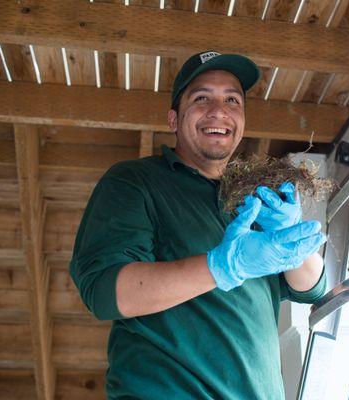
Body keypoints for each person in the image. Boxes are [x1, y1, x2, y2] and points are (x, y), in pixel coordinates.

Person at [70, 51, 328, 400]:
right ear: (174, 120)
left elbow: (311, 289)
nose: (218, 110)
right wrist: (222, 266)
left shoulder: (253, 200)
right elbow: (105, 292)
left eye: (232, 100)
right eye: (201, 97)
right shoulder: (135, 181)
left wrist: (290, 237)